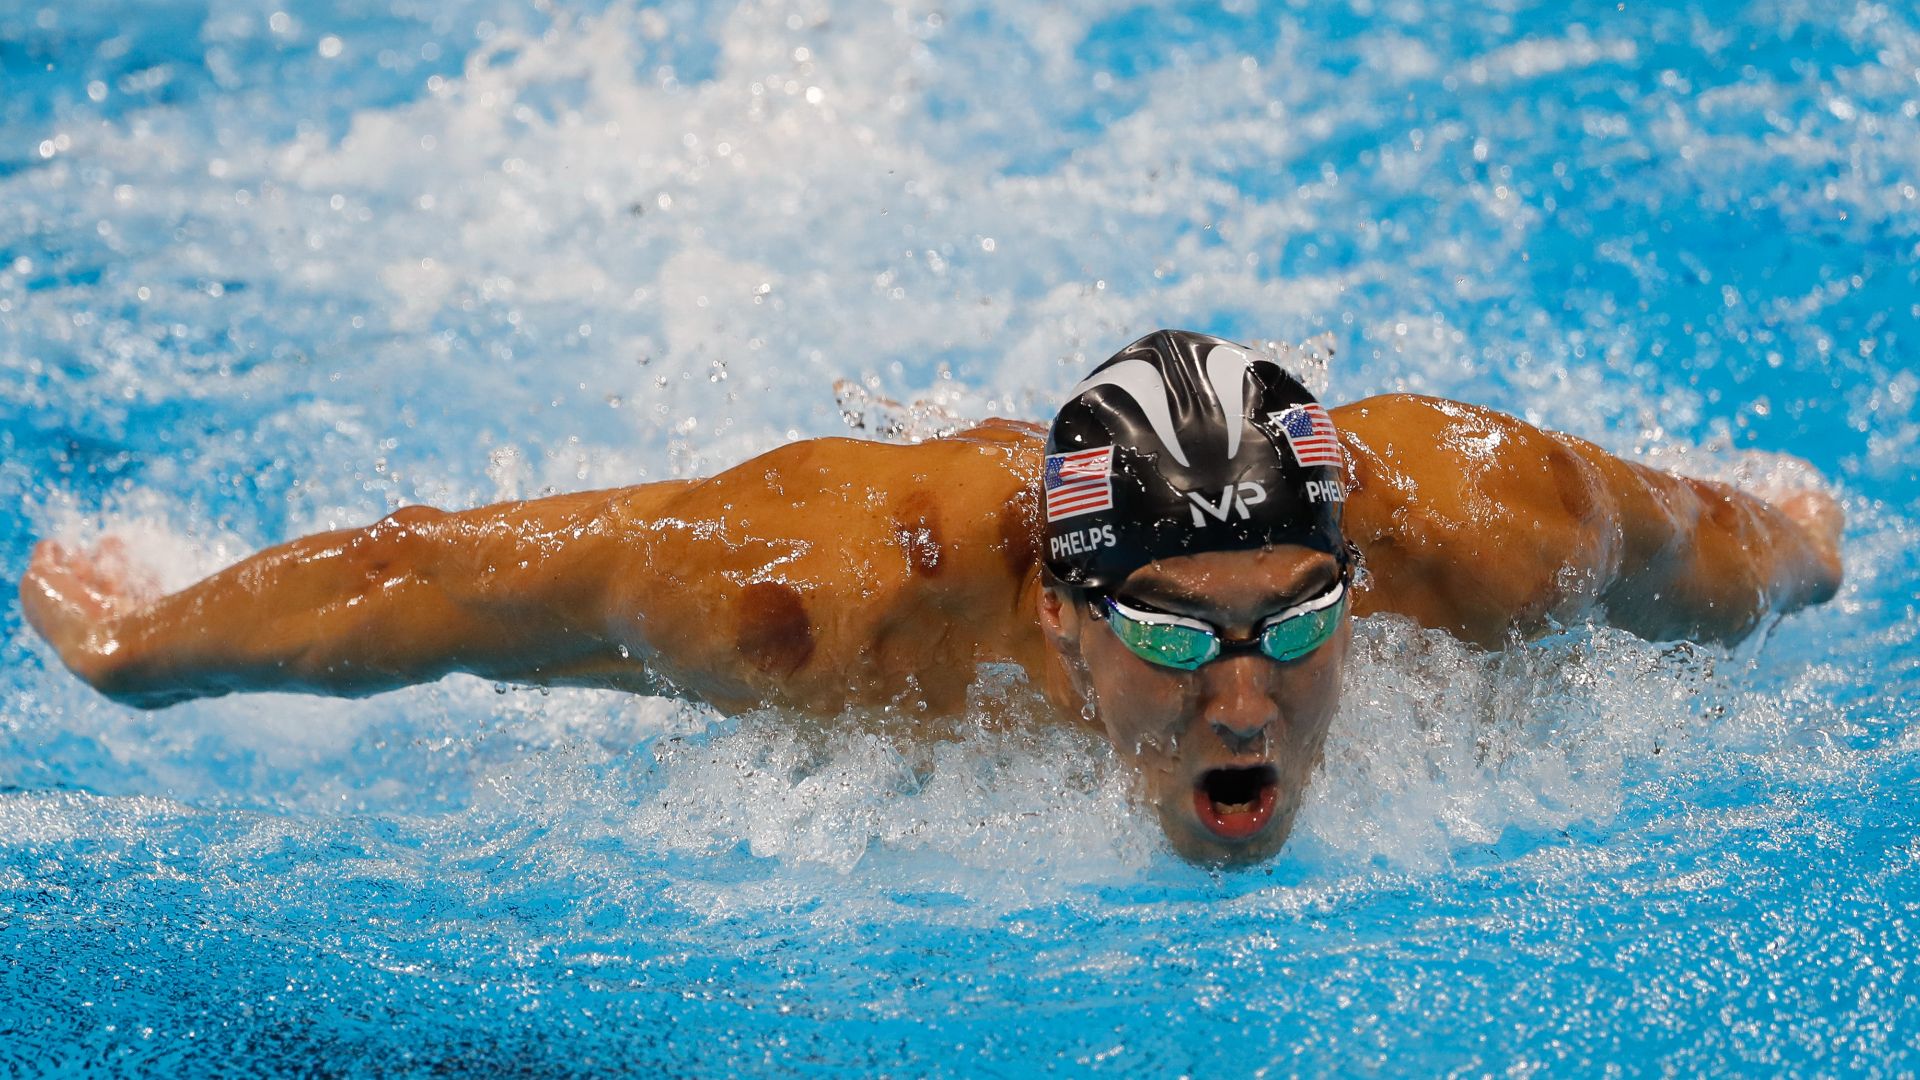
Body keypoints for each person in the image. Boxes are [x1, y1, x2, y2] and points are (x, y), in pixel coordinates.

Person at [18, 330, 1843, 863]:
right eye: (1168, 630)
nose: (1241, 701)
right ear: (1057, 612)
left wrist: (1812, 541)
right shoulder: (815, 610)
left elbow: (1726, 543)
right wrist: (141, 649)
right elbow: (443, 581)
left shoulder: (1494, 530)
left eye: (1297, 624)